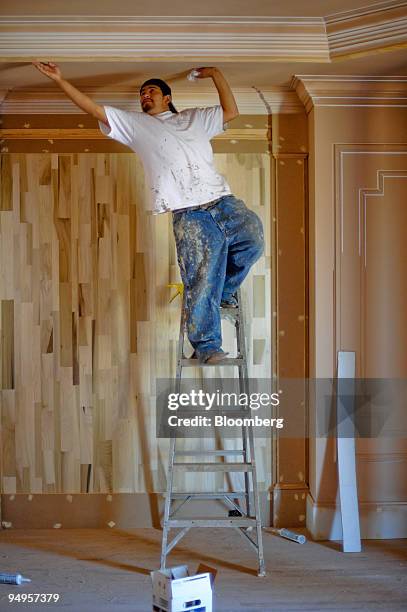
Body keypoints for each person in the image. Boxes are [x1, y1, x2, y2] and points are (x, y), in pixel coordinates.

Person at [32, 61, 264, 364]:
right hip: (189, 214)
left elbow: (230, 111)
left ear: (167, 97)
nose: (144, 96)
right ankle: (207, 346)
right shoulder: (135, 126)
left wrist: (216, 75)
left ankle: (223, 293)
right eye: (142, 94)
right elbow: (93, 109)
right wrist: (61, 80)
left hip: (222, 201)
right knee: (201, 278)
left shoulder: (195, 119)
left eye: (150, 90)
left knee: (253, 239)